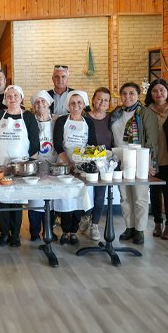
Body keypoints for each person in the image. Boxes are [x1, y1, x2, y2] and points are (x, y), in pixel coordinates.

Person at [0, 84, 39, 247]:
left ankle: (15, 235)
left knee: (16, 200)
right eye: (9, 96)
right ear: (5, 99)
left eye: (16, 96)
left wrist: (29, 166)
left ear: (21, 98)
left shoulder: (28, 117)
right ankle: (4, 233)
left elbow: (34, 144)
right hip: (0, 167)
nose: (12, 99)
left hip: (20, 168)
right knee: (3, 200)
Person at [110, 82, 159, 246]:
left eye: (132, 93)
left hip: (139, 160)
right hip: (119, 159)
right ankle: (129, 227)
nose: (127, 96)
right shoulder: (116, 113)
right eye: (124, 93)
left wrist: (150, 163)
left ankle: (140, 230)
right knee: (124, 196)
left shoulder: (145, 113)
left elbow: (152, 140)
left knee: (140, 197)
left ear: (138, 96)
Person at [53, 91, 97, 244]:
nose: (76, 106)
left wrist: (81, 162)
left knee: (79, 197)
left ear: (84, 105)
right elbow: (58, 144)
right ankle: (65, 231)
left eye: (79, 103)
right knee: (66, 198)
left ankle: (74, 231)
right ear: (68, 105)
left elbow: (92, 144)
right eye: (72, 103)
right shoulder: (61, 121)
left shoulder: (88, 122)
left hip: (82, 166)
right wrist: (69, 163)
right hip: (63, 164)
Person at [145, 78, 168, 240]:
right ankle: (157, 223)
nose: (158, 93)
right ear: (150, 94)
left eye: (162, 90)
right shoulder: (146, 110)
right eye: (154, 91)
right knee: (154, 192)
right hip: (152, 159)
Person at [81, 86, 114, 242]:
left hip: (105, 161)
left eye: (106, 100)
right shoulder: (84, 117)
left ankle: (94, 225)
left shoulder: (111, 119)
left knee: (100, 195)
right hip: (86, 161)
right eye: (99, 99)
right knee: (85, 193)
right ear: (93, 100)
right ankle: (85, 216)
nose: (102, 102)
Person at [27, 90, 58, 241]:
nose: (40, 104)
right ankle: (34, 232)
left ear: (49, 104)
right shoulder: (29, 121)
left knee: (50, 199)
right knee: (34, 199)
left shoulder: (56, 120)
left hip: (52, 164)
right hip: (34, 164)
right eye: (37, 102)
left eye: (43, 101)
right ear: (33, 106)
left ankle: (49, 230)